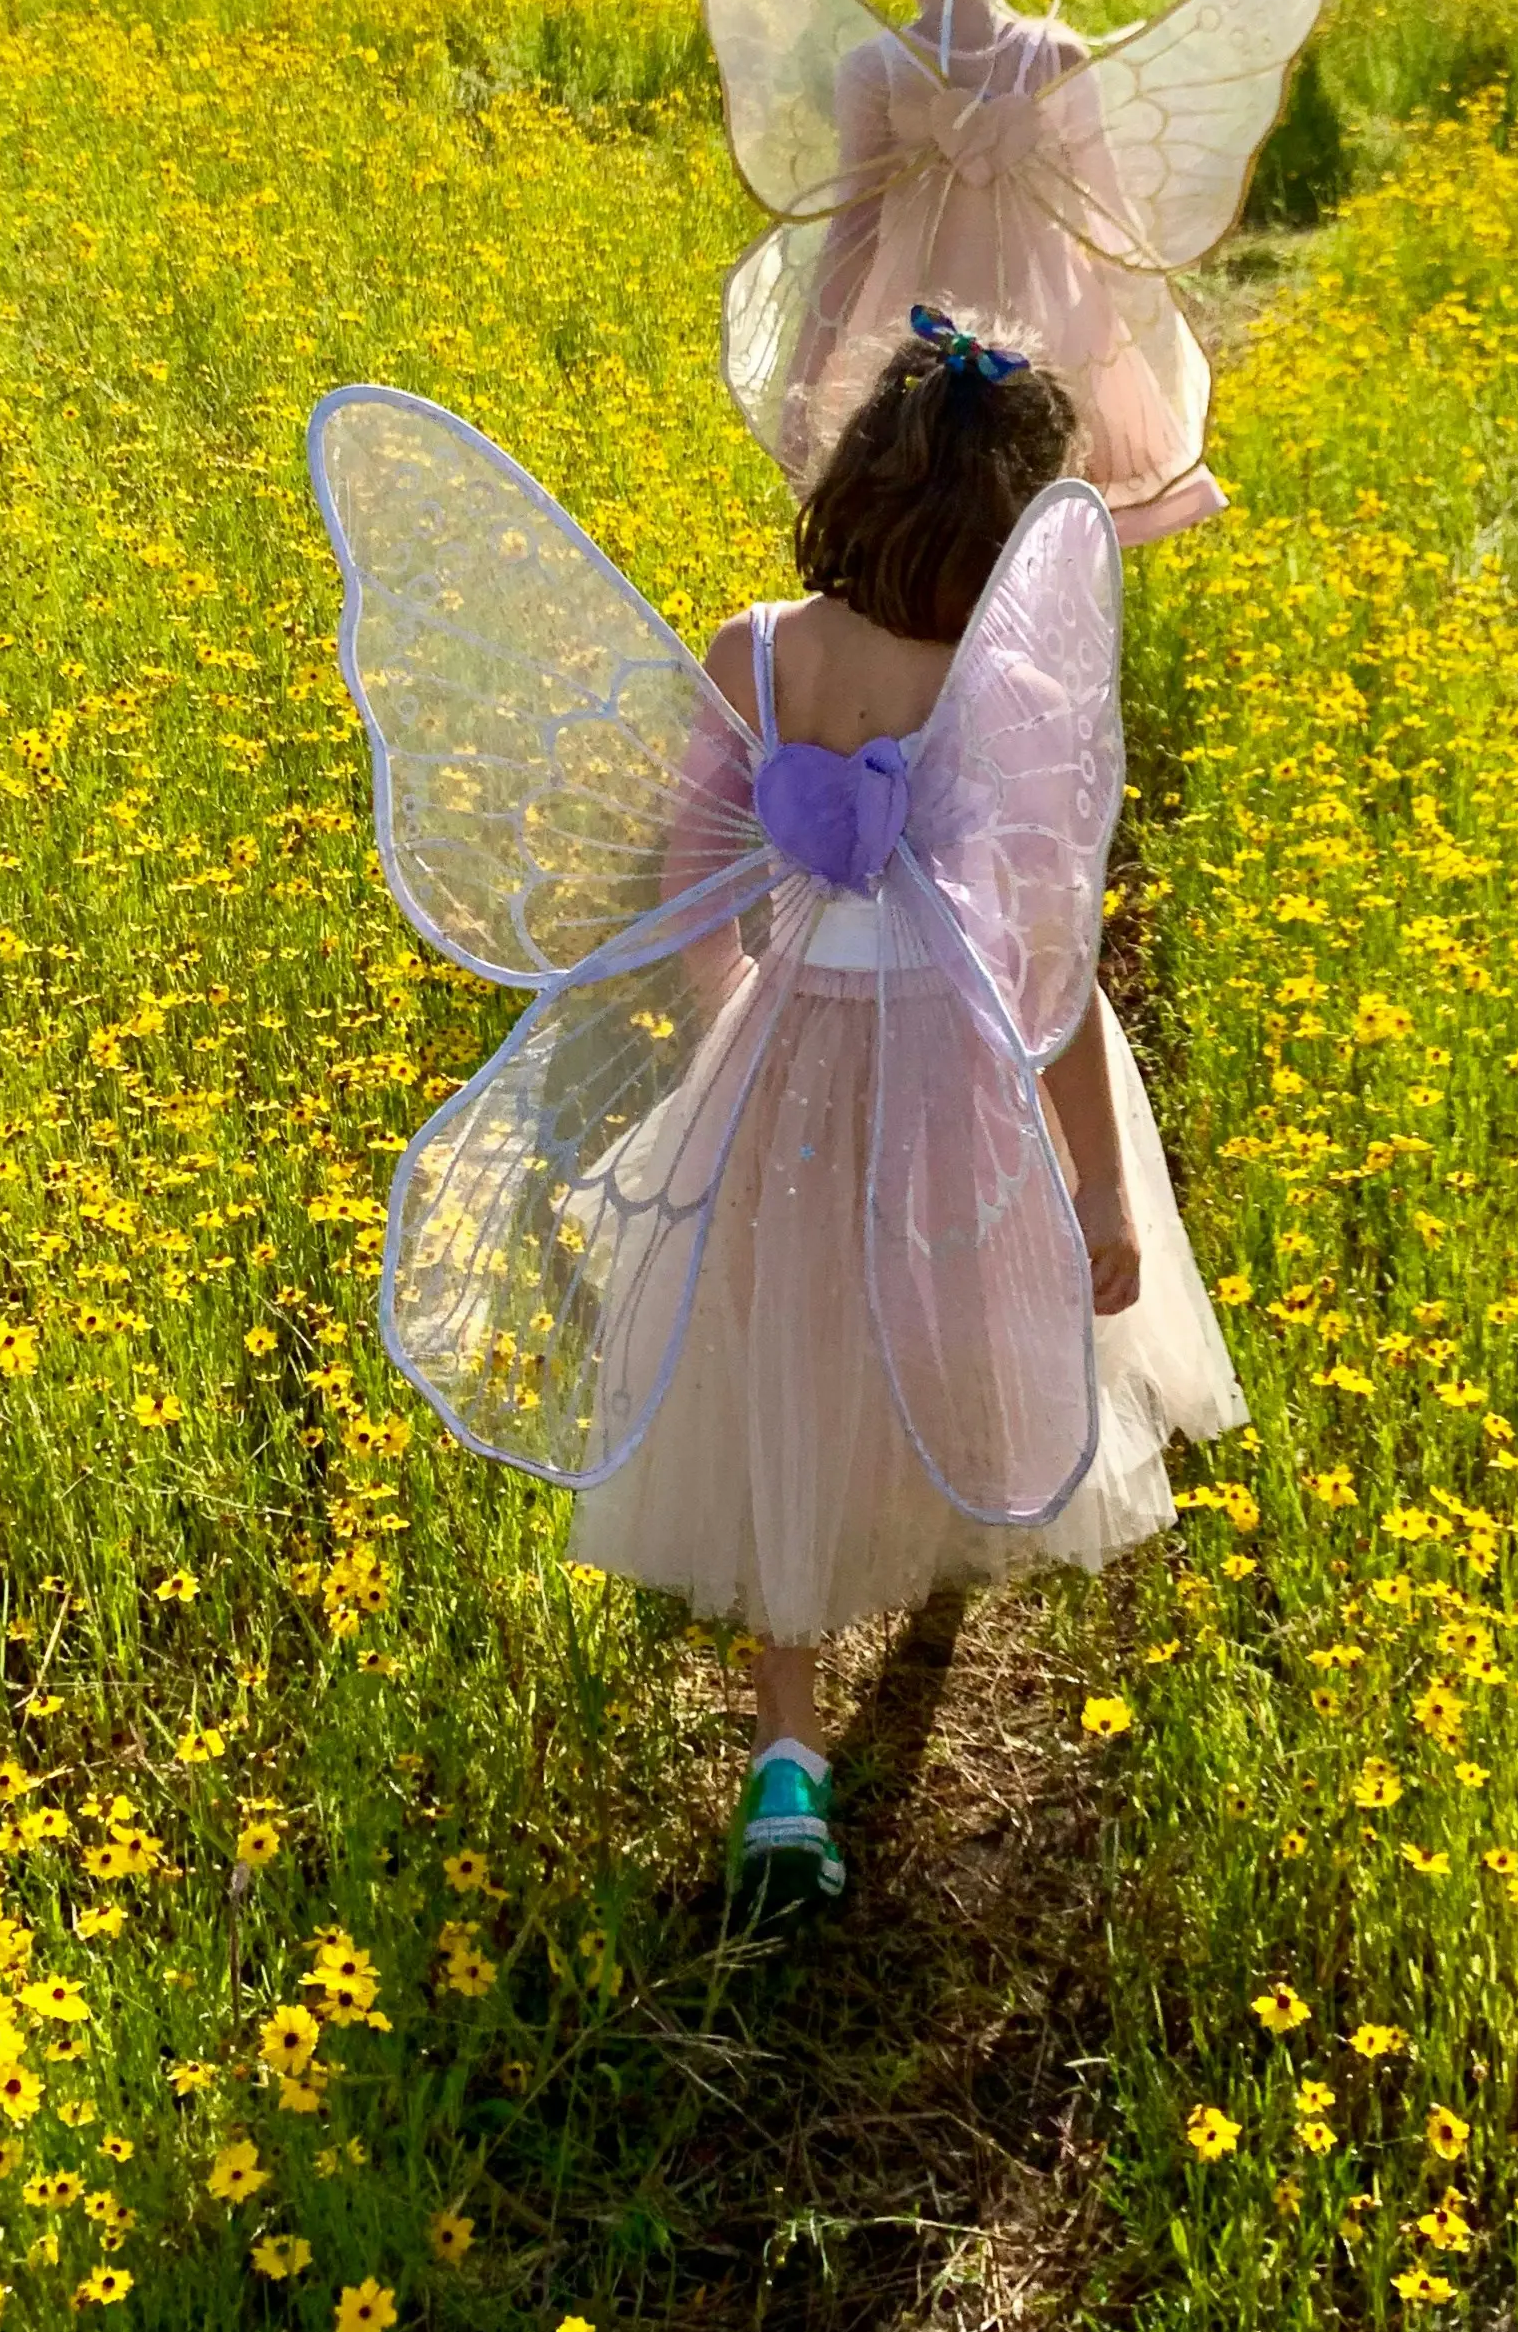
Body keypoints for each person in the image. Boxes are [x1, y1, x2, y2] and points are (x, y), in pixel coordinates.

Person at [306, 325, 1243, 1919]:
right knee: (956, 1305)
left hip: (790, 1050)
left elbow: (688, 883)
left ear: (851, 483)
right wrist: (1092, 1184)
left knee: (782, 1368)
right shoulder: (1000, 678)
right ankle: (957, 1542)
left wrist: (727, 1018)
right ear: (1025, 529)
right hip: (958, 1068)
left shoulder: (757, 651)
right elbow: (1052, 966)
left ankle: (787, 1757)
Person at [682, 0, 1328, 548]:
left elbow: (848, 243)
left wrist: (809, 384)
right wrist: (1148, 352)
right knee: (1045, 522)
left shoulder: (873, 70)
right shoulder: (1054, 57)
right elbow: (1108, 223)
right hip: (1049, 331)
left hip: (911, 343)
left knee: (925, 536)